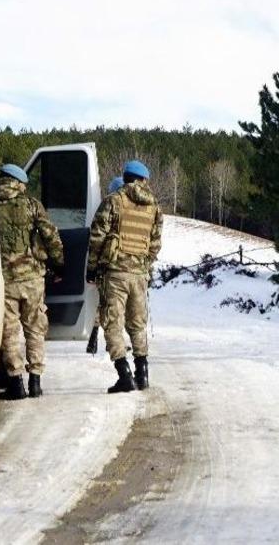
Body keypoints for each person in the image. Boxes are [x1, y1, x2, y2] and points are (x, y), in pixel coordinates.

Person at [87, 160, 163, 393]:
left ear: (125, 176)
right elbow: (155, 244)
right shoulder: (154, 206)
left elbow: (97, 237)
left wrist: (92, 268)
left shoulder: (113, 201)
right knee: (137, 324)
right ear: (144, 180)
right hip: (139, 275)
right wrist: (144, 265)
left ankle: (124, 375)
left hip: (115, 273)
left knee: (113, 324)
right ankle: (143, 374)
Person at [0, 163, 64, 399]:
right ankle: (35, 381)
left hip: (5, 280)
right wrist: (58, 264)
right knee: (35, 327)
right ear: (19, 183)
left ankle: (16, 384)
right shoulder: (32, 205)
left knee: (9, 331)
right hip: (33, 278)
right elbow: (50, 235)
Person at [85, 176, 126, 355]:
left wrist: (92, 268)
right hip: (127, 269)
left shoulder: (108, 207)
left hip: (107, 267)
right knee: (116, 309)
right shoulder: (132, 210)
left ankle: (94, 338)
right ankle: (114, 342)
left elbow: (96, 239)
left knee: (102, 305)